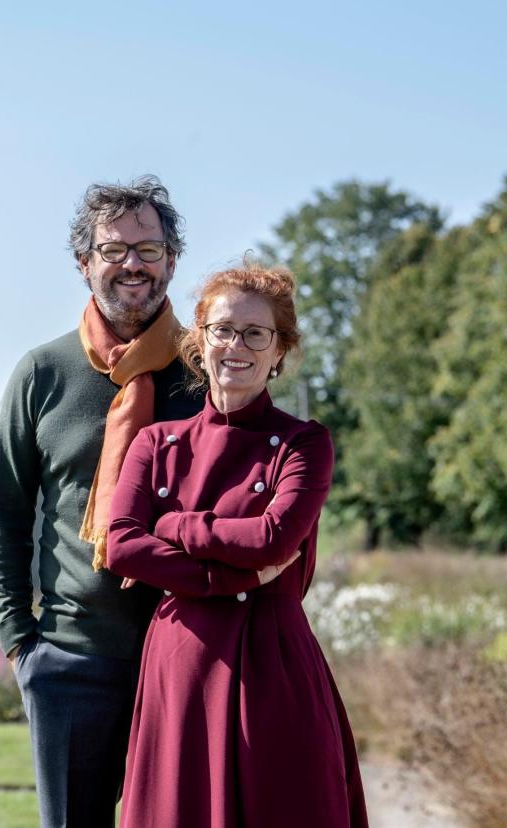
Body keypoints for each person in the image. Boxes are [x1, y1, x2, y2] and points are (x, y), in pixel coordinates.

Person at [0, 175, 239, 827]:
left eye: (149, 249)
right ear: (84, 263)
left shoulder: (205, 376)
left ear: (172, 261)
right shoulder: (41, 374)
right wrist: (23, 647)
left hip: (185, 654)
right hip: (70, 659)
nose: (132, 263)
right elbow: (6, 519)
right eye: (114, 249)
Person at [106, 263, 369, 827]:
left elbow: (273, 539)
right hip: (183, 670)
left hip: (271, 670)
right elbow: (122, 545)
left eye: (256, 333)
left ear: (280, 352)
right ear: (199, 342)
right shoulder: (156, 442)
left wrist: (173, 525)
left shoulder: (304, 444)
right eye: (223, 329)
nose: (237, 345)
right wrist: (231, 578)